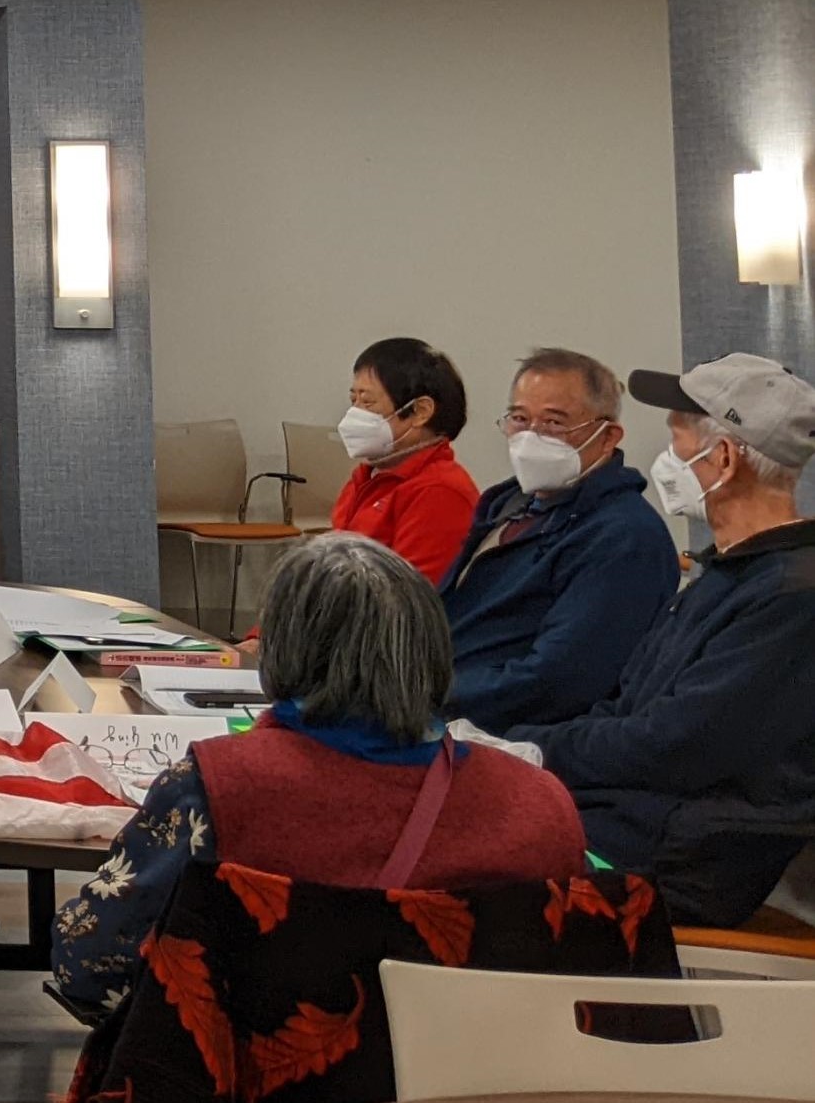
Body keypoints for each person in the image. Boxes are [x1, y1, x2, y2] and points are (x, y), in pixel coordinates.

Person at [54, 530, 589, 1023]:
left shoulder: (218, 786)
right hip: (480, 1078)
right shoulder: (539, 802)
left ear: (283, 651)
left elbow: (90, 967)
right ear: (434, 649)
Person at [514, 355, 815, 926]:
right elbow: (627, 708)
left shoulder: (791, 595)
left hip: (687, 858)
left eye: (675, 438)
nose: (666, 459)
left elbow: (674, 744)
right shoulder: (728, 575)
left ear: (722, 458)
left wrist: (532, 751)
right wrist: (519, 752)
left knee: (466, 868)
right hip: (638, 817)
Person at [438, 348, 681, 732]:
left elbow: (559, 680)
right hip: (441, 707)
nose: (530, 437)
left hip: (510, 739)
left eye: (553, 423)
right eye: (519, 419)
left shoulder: (624, 538)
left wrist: (426, 696)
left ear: (607, 437)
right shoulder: (510, 503)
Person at [327, 335, 479, 579]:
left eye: (367, 402)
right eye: (353, 399)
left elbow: (407, 600)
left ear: (420, 412)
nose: (354, 413)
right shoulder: (368, 476)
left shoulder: (439, 492)